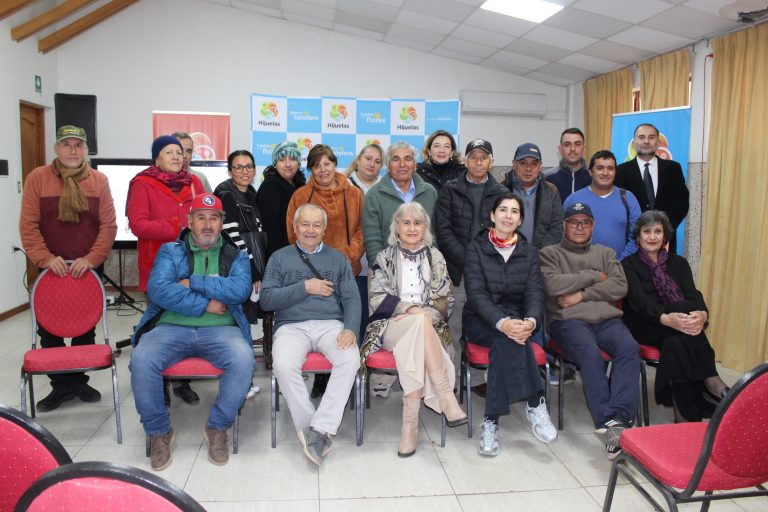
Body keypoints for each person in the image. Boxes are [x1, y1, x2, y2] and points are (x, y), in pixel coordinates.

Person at [129, 194, 254, 471]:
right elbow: (159, 289)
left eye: (214, 218)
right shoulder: (171, 251)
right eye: (201, 217)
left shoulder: (236, 255)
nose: (207, 225)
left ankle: (217, 427)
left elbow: (239, 290)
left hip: (222, 332)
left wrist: (191, 282)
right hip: (171, 327)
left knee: (244, 359)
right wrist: (206, 303)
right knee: (142, 359)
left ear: (222, 224)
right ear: (189, 222)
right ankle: (159, 432)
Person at [19, 125, 117, 412]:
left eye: (78, 145)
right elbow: (28, 224)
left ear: (86, 150)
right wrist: (46, 259)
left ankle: (78, 382)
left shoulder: (99, 180)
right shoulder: (38, 178)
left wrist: (92, 259)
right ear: (56, 149)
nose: (73, 150)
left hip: (86, 268)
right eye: (66, 144)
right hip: (51, 270)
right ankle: (60, 387)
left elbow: (108, 225)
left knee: (85, 327)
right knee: (49, 330)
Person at [361, 202, 466, 457]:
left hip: (426, 326)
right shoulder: (383, 258)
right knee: (419, 322)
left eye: (417, 223)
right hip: (390, 325)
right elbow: (376, 298)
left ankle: (409, 428)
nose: (411, 227)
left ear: (425, 228)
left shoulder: (436, 256)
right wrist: (410, 310)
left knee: (418, 331)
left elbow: (445, 299)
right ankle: (445, 396)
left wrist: (420, 316)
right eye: (406, 222)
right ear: (396, 227)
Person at [260, 204, 361, 467]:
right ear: (295, 228)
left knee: (350, 360)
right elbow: (267, 299)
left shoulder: (338, 258)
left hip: (331, 324)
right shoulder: (279, 258)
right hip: (291, 326)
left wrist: (350, 328)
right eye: (305, 224)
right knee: (282, 365)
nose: (310, 230)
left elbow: (351, 297)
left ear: (325, 230)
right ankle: (314, 429)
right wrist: (305, 287)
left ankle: (320, 428)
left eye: (317, 225)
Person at [539, 202, 640, 458]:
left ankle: (621, 419)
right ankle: (606, 423)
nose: (579, 227)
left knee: (629, 348)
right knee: (590, 354)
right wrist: (594, 275)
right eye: (574, 222)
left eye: (585, 223)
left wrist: (580, 295)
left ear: (593, 226)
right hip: (568, 322)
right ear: (564, 225)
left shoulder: (606, 253)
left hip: (607, 320)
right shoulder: (550, 253)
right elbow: (553, 285)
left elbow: (619, 287)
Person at [463, 193, 557, 456]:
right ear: (492, 216)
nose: (507, 215)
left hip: (517, 318)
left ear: (520, 219)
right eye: (502, 210)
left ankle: (491, 422)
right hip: (481, 319)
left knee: (510, 342)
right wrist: (503, 323)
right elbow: (476, 294)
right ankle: (536, 402)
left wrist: (530, 321)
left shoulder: (528, 252)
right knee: (508, 339)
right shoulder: (476, 248)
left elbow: (535, 292)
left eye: (514, 211)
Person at [621, 210, 729, 422]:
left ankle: (684, 416)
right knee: (682, 319)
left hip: (679, 327)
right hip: (646, 323)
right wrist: (668, 318)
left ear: (665, 235)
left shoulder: (679, 263)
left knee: (676, 345)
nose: (652, 237)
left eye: (657, 231)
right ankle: (712, 381)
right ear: (638, 236)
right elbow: (640, 303)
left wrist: (701, 313)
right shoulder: (628, 265)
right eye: (647, 231)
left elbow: (694, 294)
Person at [126, 135, 204, 406]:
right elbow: (138, 225)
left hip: (190, 264)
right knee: (157, 325)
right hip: (157, 266)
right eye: (169, 152)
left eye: (179, 152)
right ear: (156, 157)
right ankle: (157, 383)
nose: (176, 157)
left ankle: (182, 382)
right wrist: (177, 225)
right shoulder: (142, 183)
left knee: (183, 322)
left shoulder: (193, 183)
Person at [286, 144, 365, 399]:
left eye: (327, 163)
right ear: (311, 169)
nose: (323, 169)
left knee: (347, 323)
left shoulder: (354, 194)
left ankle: (348, 376)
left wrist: (348, 255)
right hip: (311, 272)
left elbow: (363, 230)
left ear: (335, 164)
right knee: (321, 322)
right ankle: (321, 379)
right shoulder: (301, 195)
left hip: (348, 269)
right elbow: (292, 232)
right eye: (317, 165)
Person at [435, 138, 507, 395]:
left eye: (483, 157)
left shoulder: (502, 194)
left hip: (489, 274)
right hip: (457, 272)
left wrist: (483, 260)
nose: (478, 162)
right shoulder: (450, 189)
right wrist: (467, 259)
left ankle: (477, 379)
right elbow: (443, 231)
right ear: (465, 161)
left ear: (491, 162)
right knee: (452, 327)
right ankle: (450, 382)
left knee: (482, 324)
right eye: (473, 157)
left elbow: (505, 232)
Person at [214, 149, 268, 399]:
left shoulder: (251, 194)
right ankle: (237, 384)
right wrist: (253, 270)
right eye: (238, 167)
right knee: (237, 326)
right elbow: (233, 238)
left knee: (242, 323)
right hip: (238, 269)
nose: (244, 171)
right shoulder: (225, 194)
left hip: (250, 264)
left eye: (249, 167)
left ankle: (241, 381)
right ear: (229, 170)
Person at [614, 123, 689, 253]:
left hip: (665, 241)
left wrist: (663, 229)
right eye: (641, 137)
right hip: (632, 242)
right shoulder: (620, 171)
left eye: (651, 137)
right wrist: (639, 230)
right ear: (634, 143)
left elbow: (682, 203)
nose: (646, 141)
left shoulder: (673, 169)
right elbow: (619, 206)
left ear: (658, 143)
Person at [363, 141, 438, 268]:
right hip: (385, 270)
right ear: (388, 165)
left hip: (424, 268)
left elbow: (435, 234)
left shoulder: (430, 193)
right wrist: (382, 269)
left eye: (408, 159)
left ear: (415, 165)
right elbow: (372, 240)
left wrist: (432, 264)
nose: (402, 164)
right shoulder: (374, 195)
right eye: (396, 159)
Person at [563, 150, 640, 260]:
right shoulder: (573, 200)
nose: (605, 173)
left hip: (621, 269)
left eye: (610, 168)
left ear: (615, 172)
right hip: (581, 270)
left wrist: (618, 265)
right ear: (590, 171)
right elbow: (564, 237)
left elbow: (636, 238)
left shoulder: (628, 198)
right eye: (600, 168)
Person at [503, 143, 563, 249]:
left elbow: (557, 227)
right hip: (507, 254)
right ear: (514, 164)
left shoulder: (551, 191)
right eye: (523, 163)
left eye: (534, 164)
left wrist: (537, 252)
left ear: (540, 166)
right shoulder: (501, 190)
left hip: (542, 256)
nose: (528, 169)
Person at [257, 141, 306, 259]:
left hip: (299, 251)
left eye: (292, 159)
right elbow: (270, 230)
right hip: (280, 255)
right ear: (275, 164)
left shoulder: (301, 187)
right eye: (282, 160)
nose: (288, 164)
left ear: (298, 164)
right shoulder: (269, 186)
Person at [546, 128, 590, 204]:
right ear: (560, 149)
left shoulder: (594, 177)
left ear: (584, 149)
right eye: (567, 145)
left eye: (577, 144)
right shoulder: (547, 178)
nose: (572, 149)